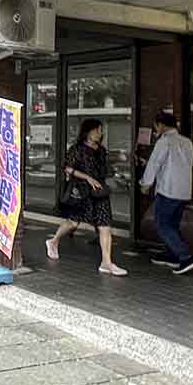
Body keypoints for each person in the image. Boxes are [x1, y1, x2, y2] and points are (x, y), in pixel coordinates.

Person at [46, 118, 127, 276]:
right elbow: (68, 168)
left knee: (105, 225)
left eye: (101, 130)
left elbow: (105, 170)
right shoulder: (77, 149)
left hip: (99, 191)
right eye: (97, 130)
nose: (100, 133)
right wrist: (87, 178)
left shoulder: (102, 150)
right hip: (82, 191)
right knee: (73, 222)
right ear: (88, 132)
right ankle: (54, 241)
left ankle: (106, 262)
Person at [141, 110, 193, 275]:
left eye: (156, 125)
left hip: (168, 190)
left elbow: (155, 163)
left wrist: (146, 183)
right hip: (184, 191)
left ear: (160, 125)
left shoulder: (164, 141)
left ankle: (186, 256)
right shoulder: (187, 142)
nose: (155, 129)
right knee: (172, 225)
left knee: (162, 225)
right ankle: (171, 255)